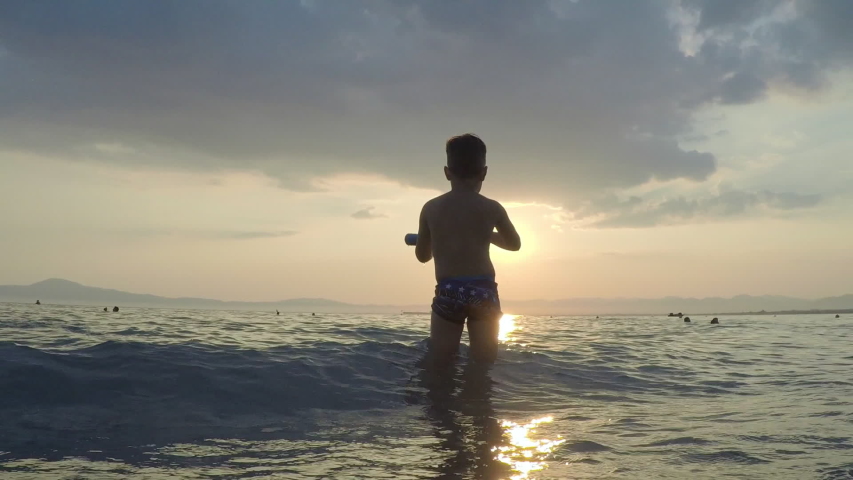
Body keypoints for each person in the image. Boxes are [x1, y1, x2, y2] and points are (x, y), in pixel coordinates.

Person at [414, 133, 521, 366]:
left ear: (446, 172)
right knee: (483, 362)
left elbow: (422, 256)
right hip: (483, 290)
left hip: (449, 289)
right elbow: (514, 244)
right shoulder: (492, 208)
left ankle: (440, 401)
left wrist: (437, 239)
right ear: (484, 172)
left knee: (441, 361)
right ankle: (479, 400)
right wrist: (487, 235)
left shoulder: (431, 208)